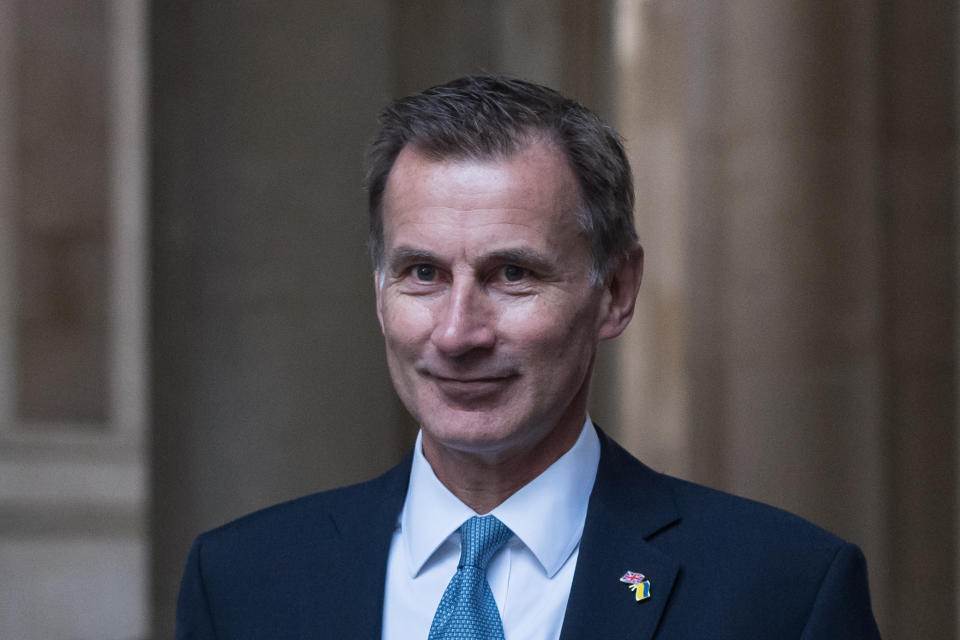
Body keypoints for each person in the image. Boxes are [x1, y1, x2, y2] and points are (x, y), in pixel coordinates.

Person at [176, 75, 881, 639]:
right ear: (379, 293)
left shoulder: (782, 593)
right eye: (421, 273)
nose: (457, 334)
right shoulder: (243, 580)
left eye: (512, 274)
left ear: (617, 291)